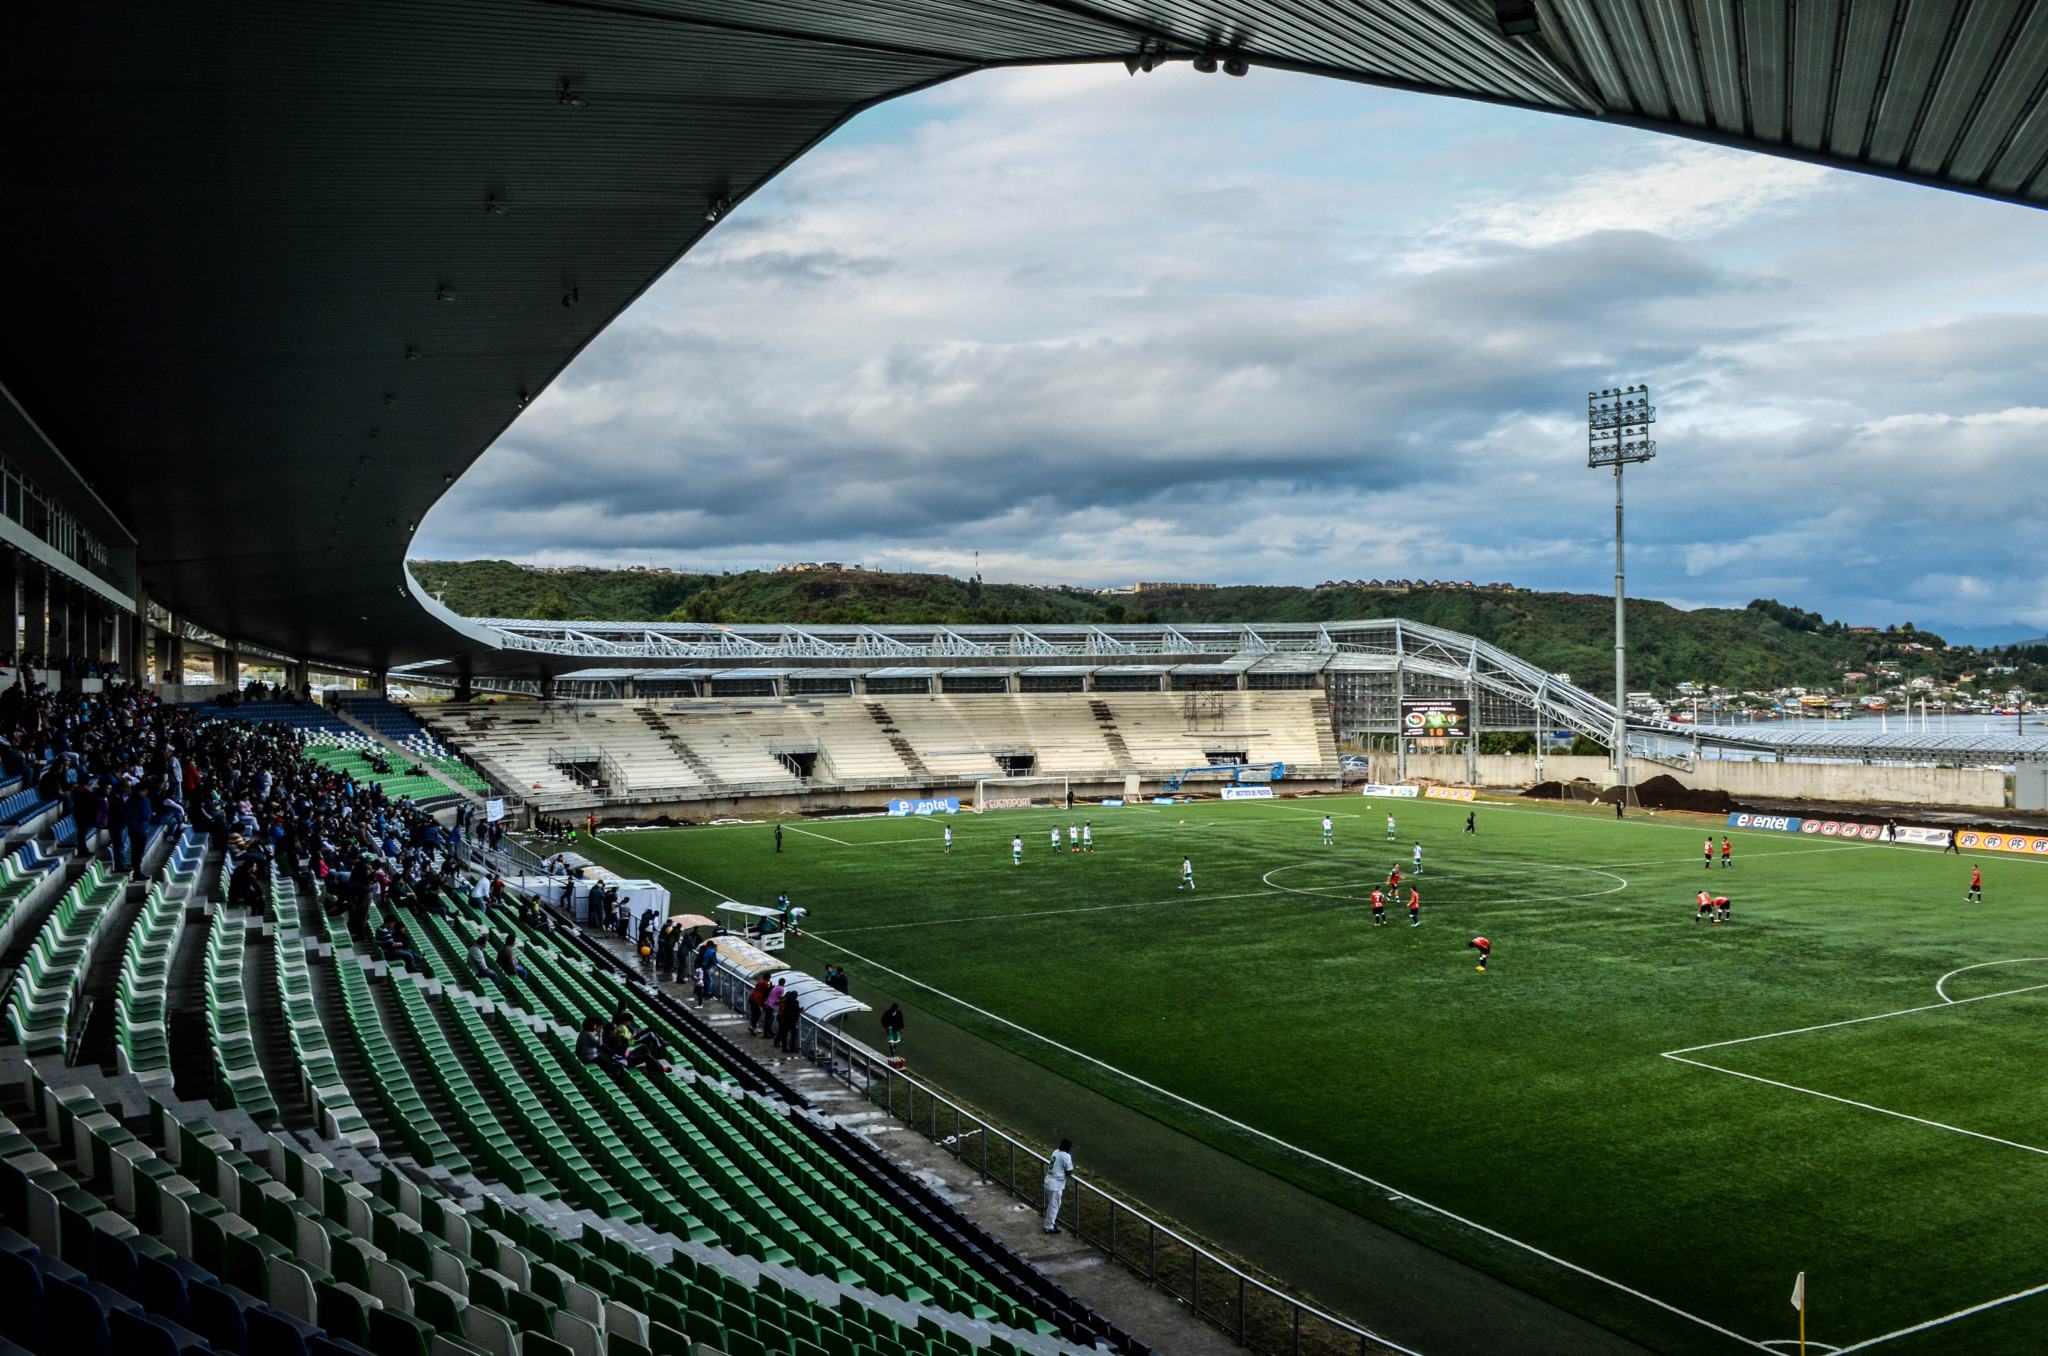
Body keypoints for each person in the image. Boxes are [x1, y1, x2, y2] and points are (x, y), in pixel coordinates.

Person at [1042, 1139, 1075, 1234]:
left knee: (1052, 1205)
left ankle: (1050, 1223)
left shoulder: (1056, 1151)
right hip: (1055, 1185)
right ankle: (1049, 1226)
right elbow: (1069, 1172)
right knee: (1054, 1206)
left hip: (1048, 1181)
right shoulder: (1066, 1156)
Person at [776, 987, 801, 1052]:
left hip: (785, 1020)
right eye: (796, 995)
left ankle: (784, 1048)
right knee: (794, 1034)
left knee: (785, 1034)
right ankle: (792, 1048)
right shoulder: (795, 1002)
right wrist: (800, 1010)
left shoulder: (786, 1001)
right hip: (792, 1021)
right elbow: (796, 1010)